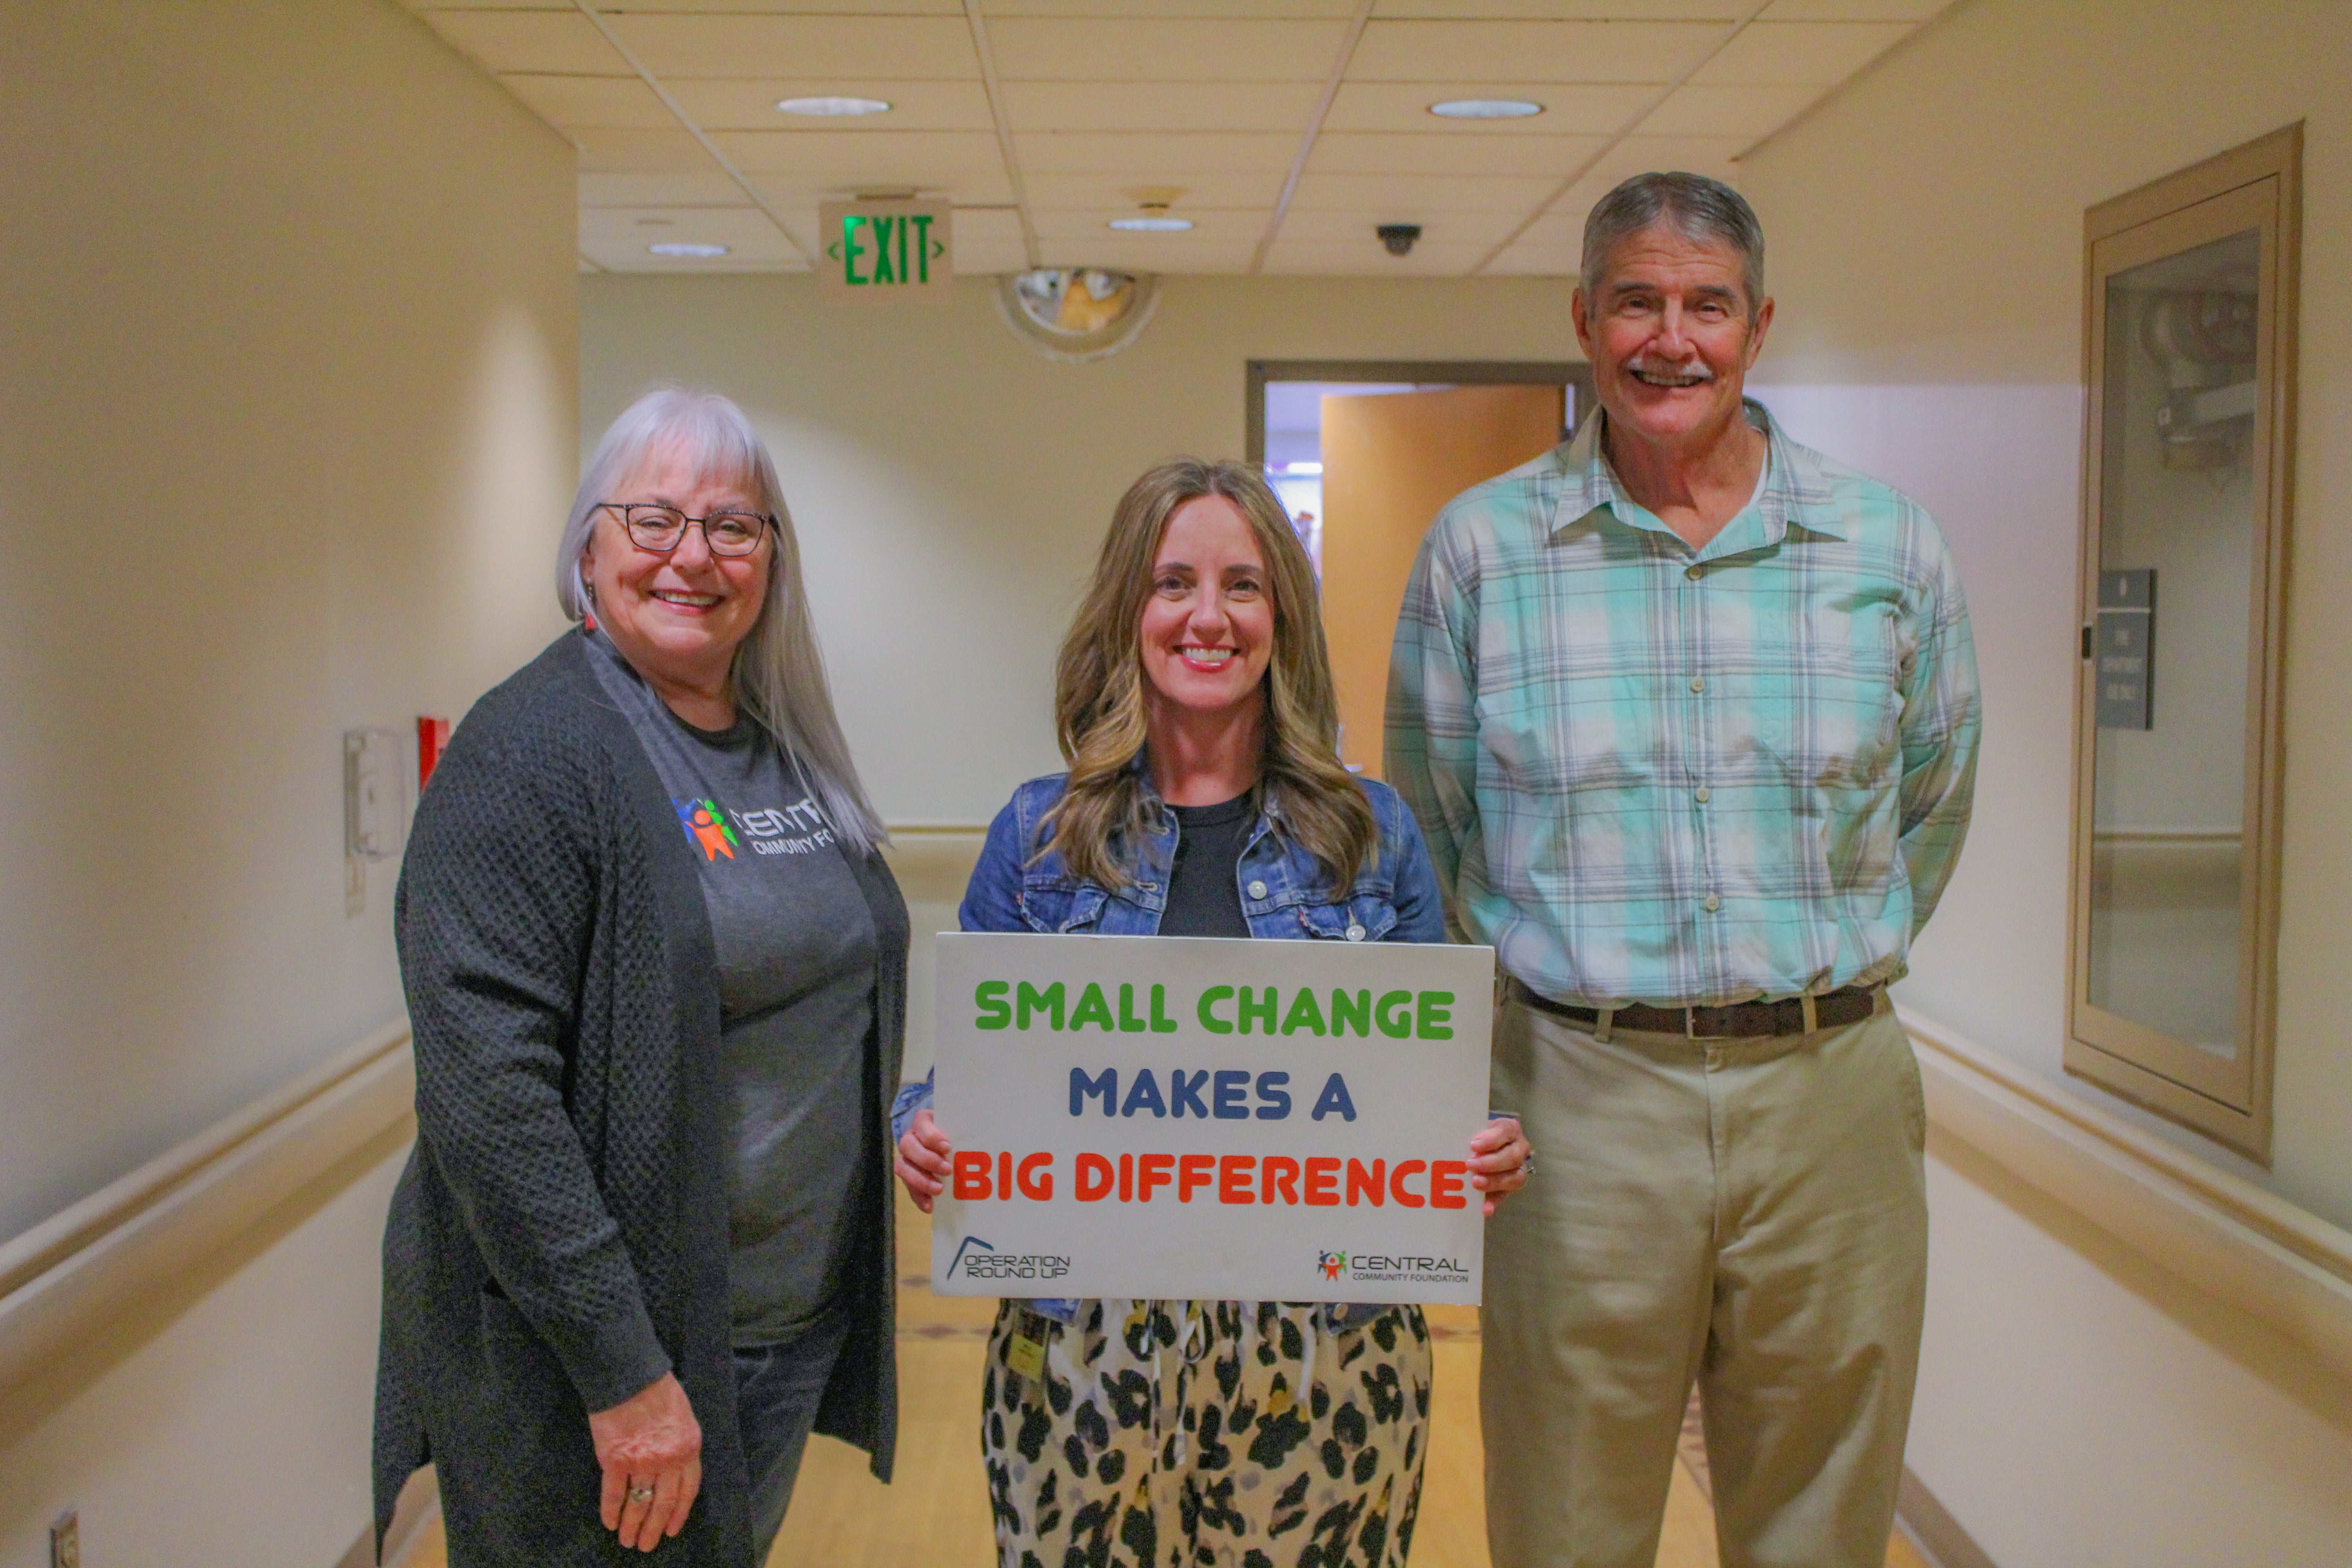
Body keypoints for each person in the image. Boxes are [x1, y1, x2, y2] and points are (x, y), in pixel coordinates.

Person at [1386, 172, 1981, 1568]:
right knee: (1567, 1518)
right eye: (1639, 302)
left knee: (1824, 1515)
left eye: (1707, 305)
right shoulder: (1482, 552)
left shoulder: (1885, 548)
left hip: (1831, 1097)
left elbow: (1932, 807)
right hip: (1578, 1101)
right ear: (1585, 320)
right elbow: (1432, 829)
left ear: (1757, 327)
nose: (1673, 339)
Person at [894, 458, 1531, 1568]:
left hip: (1321, 1361)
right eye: (1172, 581)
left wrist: (1477, 1154)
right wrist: (922, 1128)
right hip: (1082, 1354)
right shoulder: (1039, 838)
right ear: (1126, 611)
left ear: (1280, 614)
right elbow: (962, 1083)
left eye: (1241, 585)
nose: (1207, 616)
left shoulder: (1370, 837)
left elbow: (1433, 1115)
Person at [375, 387, 908, 1565]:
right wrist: (625, 1377)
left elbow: (837, 993)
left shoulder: (777, 744)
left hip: (768, 1333)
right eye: (653, 519)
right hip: (604, 1366)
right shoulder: (526, 753)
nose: (693, 557)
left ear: (771, 558)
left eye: (733, 526)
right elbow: (489, 1102)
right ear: (587, 546)